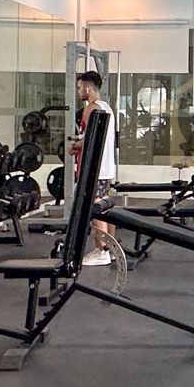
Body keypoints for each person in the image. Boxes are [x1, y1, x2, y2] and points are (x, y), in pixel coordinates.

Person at [74, 69, 118, 264]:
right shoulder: (107, 108)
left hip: (94, 168)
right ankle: (111, 249)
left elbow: (88, 140)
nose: (78, 92)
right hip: (106, 167)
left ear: (87, 88)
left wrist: (74, 146)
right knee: (104, 207)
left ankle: (101, 252)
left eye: (79, 88)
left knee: (95, 208)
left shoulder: (90, 109)